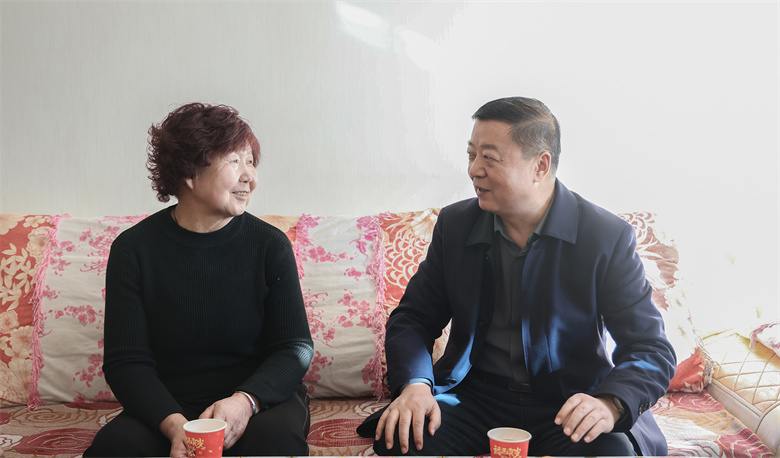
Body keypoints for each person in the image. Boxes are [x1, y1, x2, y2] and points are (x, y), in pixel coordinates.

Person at [357, 97, 676, 456]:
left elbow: (650, 348)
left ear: (540, 165)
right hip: (476, 398)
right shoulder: (456, 225)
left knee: (614, 453)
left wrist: (609, 404)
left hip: (569, 401)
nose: (474, 170)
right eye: (471, 155)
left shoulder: (605, 237)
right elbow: (414, 318)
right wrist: (415, 386)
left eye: (489, 158)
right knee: (400, 440)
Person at [84, 103, 314, 457]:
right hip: (168, 404)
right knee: (113, 449)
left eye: (251, 161)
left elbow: (294, 346)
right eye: (234, 161)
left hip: (257, 401)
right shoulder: (133, 250)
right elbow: (126, 362)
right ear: (189, 172)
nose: (250, 177)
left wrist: (244, 402)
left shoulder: (270, 245)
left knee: (274, 445)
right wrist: (174, 425)